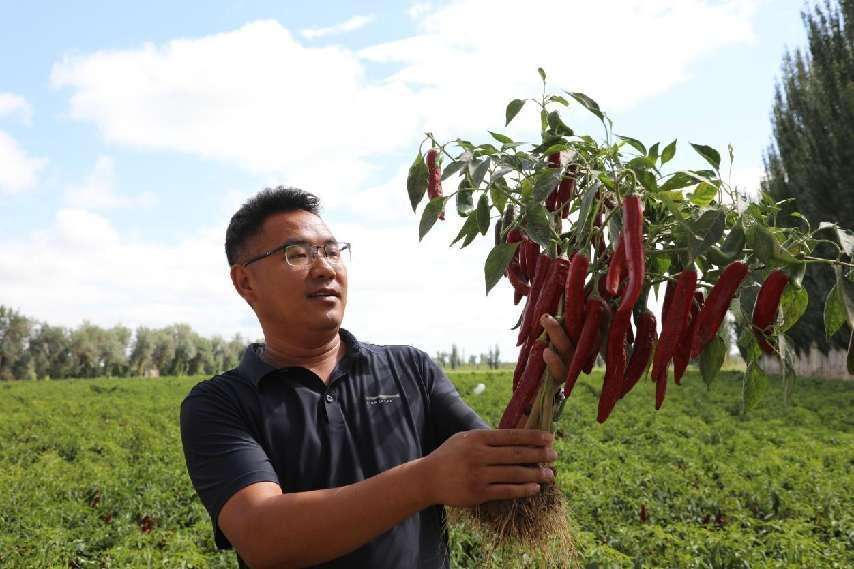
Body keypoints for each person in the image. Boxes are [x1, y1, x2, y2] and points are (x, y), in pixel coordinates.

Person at [180, 187, 566, 568]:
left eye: (332, 252)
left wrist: (546, 380)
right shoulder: (220, 404)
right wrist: (425, 480)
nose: (325, 268)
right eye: (297, 254)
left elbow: (497, 473)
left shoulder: (410, 369)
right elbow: (262, 536)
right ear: (245, 282)